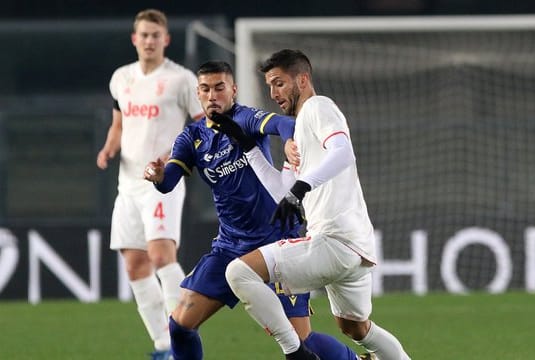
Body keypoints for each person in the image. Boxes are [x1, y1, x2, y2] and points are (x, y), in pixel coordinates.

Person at [143, 60, 362, 360]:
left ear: (233, 90)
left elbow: (286, 124)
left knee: (303, 341)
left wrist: (288, 142)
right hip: (229, 247)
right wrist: (157, 177)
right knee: (180, 325)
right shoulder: (192, 138)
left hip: (276, 244)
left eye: (220, 88)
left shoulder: (245, 118)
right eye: (205, 89)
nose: (213, 96)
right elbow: (167, 183)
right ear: (198, 93)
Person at [218, 49, 411, 360]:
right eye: (269, 85)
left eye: (279, 83)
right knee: (355, 328)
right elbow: (282, 191)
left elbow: (343, 152)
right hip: (354, 248)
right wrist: (248, 146)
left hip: (333, 240)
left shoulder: (318, 108)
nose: (273, 93)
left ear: (302, 79)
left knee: (239, 273)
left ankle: (296, 353)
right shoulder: (301, 133)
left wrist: (301, 186)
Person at [96, 9, 204, 360]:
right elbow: (118, 124)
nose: (149, 40)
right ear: (134, 39)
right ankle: (164, 346)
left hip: (162, 182)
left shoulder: (181, 79)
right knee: (135, 265)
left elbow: (202, 125)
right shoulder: (121, 78)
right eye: (143, 34)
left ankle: (182, 333)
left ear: (165, 40)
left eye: (155, 35)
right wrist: (109, 149)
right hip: (127, 183)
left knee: (160, 255)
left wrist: (177, 157)